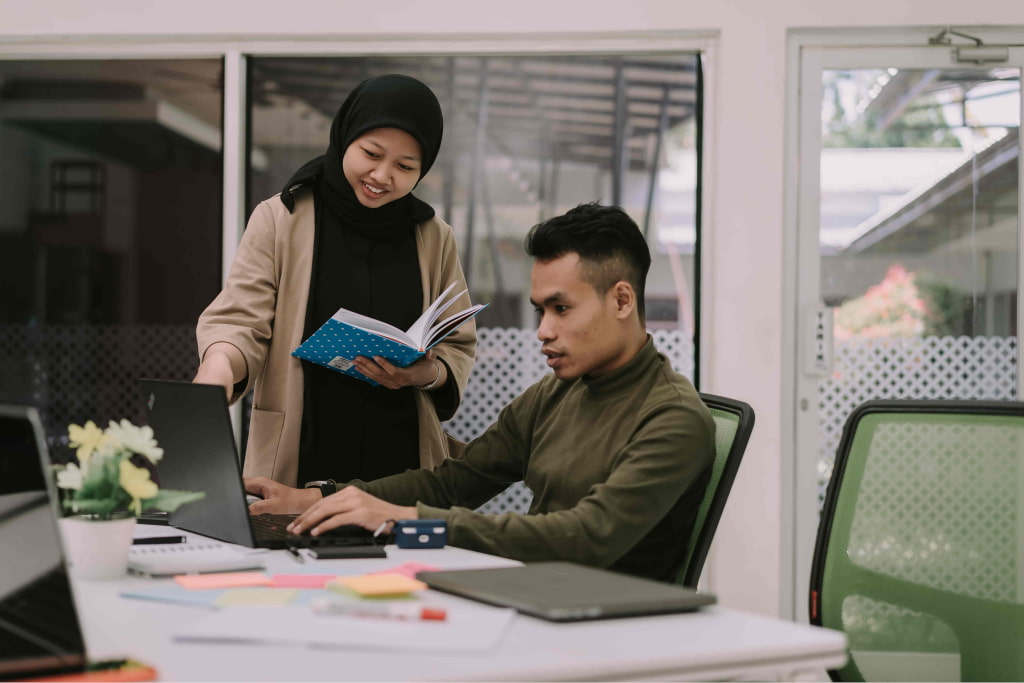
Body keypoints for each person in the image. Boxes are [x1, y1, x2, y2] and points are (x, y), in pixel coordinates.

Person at [246, 202, 714, 582]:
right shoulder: (552, 395)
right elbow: (455, 483)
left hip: (611, 628)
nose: (543, 331)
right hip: (538, 596)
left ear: (622, 300)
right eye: (541, 311)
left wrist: (404, 520)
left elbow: (585, 538)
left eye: (562, 309)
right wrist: (323, 498)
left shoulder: (673, 418)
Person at [194, 74, 476, 490]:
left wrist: (423, 373)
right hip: (301, 452)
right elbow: (241, 322)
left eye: (404, 166)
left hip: (402, 460)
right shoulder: (281, 217)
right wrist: (216, 370)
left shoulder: (433, 235)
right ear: (345, 137)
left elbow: (457, 343)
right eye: (371, 153)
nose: (382, 175)